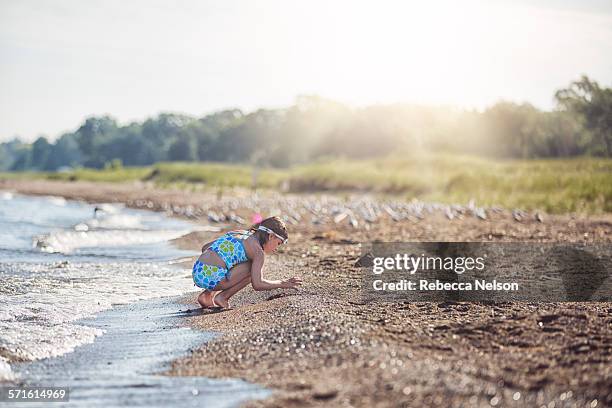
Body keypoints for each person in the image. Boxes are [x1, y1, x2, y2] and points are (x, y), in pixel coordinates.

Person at [192, 216, 302, 309]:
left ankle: (207, 295)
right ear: (271, 236)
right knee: (252, 270)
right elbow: (257, 284)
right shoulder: (258, 252)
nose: (277, 248)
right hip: (212, 278)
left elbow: (205, 247)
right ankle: (223, 297)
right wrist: (283, 283)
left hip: (197, 270)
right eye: (278, 243)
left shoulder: (239, 233)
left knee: (230, 259)